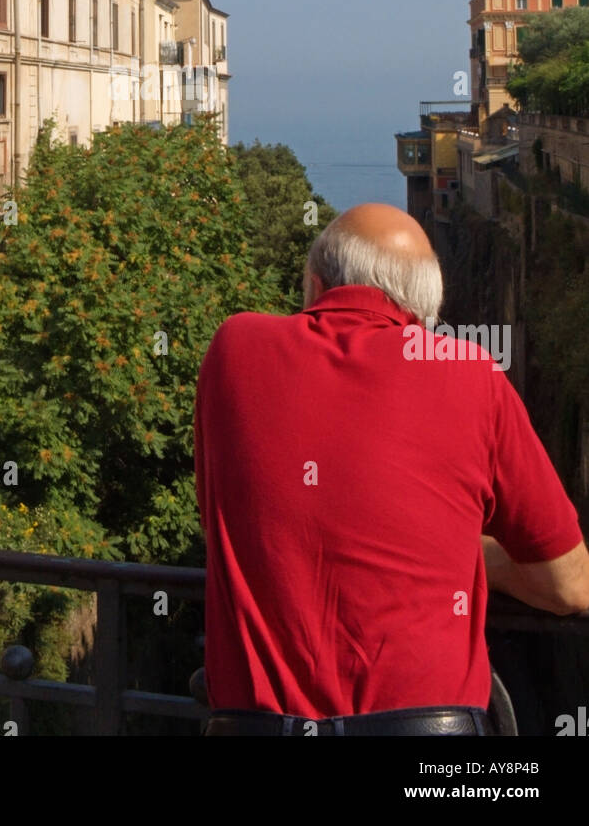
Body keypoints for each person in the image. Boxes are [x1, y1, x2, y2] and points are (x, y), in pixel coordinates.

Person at [194, 203, 589, 736]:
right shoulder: (472, 375)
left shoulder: (233, 350)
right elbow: (569, 585)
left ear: (315, 287)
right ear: (426, 312)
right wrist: (446, 551)